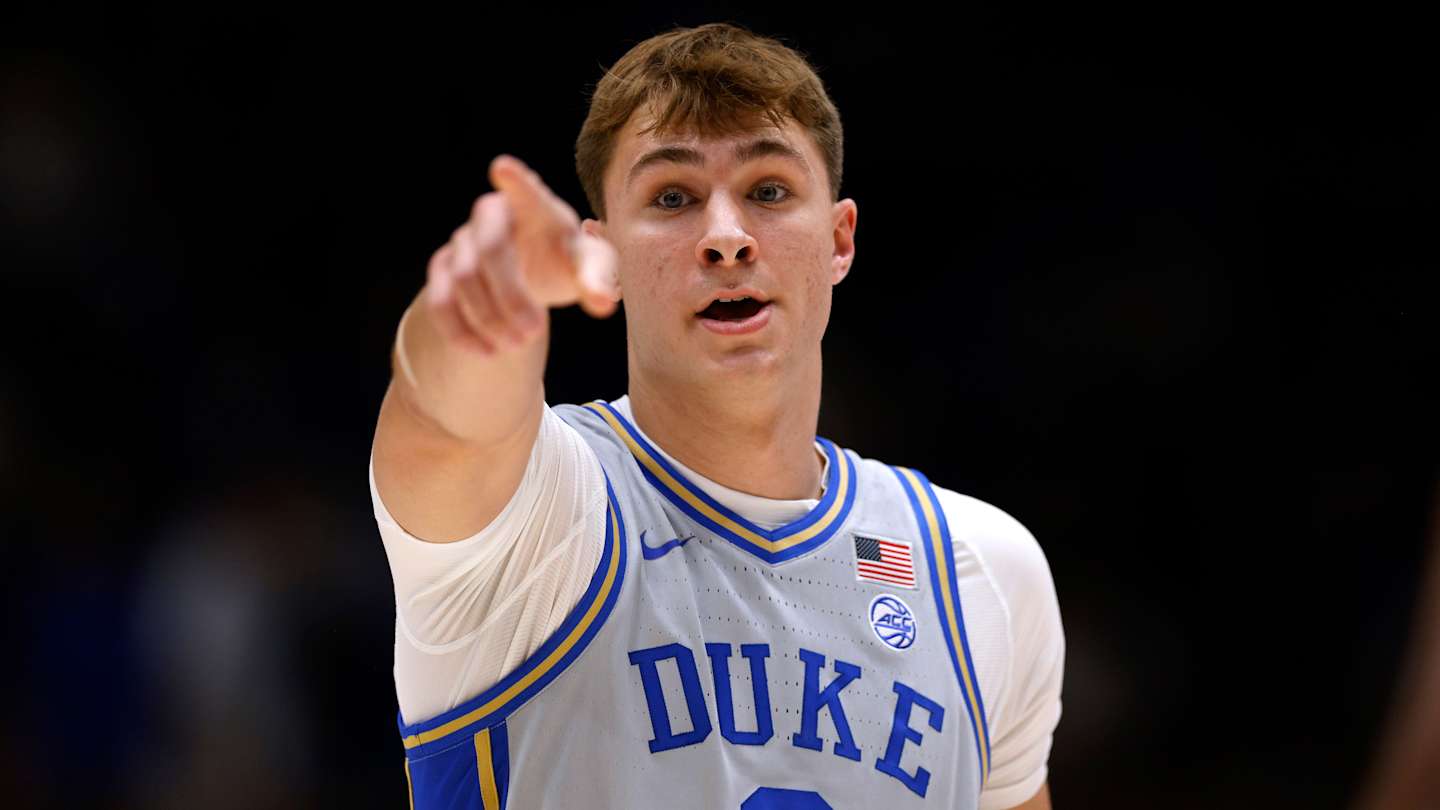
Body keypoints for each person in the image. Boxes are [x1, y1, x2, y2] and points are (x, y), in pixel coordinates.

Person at [369, 22, 1064, 810]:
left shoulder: (983, 572)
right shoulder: (541, 514)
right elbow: (446, 418)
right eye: (673, 198)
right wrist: (477, 312)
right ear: (607, 252)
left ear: (839, 241)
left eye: (769, 191)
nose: (727, 238)